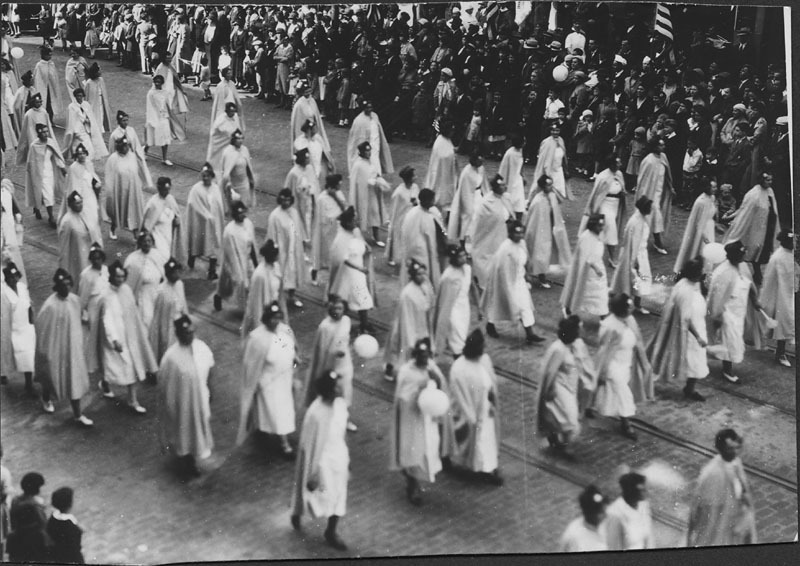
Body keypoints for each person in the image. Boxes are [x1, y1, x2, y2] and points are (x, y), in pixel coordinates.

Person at [290, 370, 350, 550]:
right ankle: (297, 511)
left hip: (339, 457)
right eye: (336, 388)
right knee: (317, 496)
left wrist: (347, 459)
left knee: (339, 495)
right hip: (321, 462)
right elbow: (306, 447)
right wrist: (312, 472)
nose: (340, 390)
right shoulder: (315, 414)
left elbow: (342, 431)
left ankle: (331, 531)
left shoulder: (341, 405)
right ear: (329, 391)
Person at [237, 302, 299, 459]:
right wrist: (255, 382)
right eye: (272, 318)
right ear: (266, 319)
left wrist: (295, 360)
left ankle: (261, 428)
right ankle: (285, 445)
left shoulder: (284, 331)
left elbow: (290, 349)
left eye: (278, 318)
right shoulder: (257, 338)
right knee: (277, 413)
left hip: (285, 379)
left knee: (280, 410)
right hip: (269, 382)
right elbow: (250, 362)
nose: (275, 322)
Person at [389, 338, 447, 505]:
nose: (424, 358)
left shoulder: (431, 366)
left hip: (427, 419)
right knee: (412, 451)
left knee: (427, 449)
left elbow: (441, 387)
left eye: (427, 354)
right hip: (411, 419)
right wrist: (419, 392)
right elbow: (402, 397)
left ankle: (417, 478)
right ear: (415, 355)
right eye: (420, 355)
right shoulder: (406, 371)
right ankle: (412, 484)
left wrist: (436, 379)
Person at [159, 314, 215, 477]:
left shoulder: (201, 348)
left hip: (200, 398)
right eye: (185, 333)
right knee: (184, 432)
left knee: (198, 428)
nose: (189, 336)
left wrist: (211, 388)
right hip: (182, 404)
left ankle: (193, 455)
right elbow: (165, 385)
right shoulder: (171, 358)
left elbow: (210, 367)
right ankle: (187, 461)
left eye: (191, 332)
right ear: (178, 334)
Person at [97, 261, 157, 413]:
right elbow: (107, 319)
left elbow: (133, 311)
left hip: (129, 336)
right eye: (117, 277)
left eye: (122, 276)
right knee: (111, 365)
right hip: (114, 338)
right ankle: (105, 382)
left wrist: (139, 332)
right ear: (111, 276)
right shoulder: (105, 295)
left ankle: (132, 399)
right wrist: (114, 339)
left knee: (131, 366)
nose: (120, 280)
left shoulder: (126, 290)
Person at [647, 257, 710, 401]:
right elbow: (685, 319)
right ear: (694, 275)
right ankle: (688, 388)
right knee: (694, 361)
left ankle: (689, 388)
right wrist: (698, 336)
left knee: (693, 361)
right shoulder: (685, 291)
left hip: (696, 324)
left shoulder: (686, 283)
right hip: (689, 332)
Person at [35, 268, 92, 425]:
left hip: (72, 348)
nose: (66, 288)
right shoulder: (50, 306)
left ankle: (78, 414)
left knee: (74, 379)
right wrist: (47, 351)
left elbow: (80, 316)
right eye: (62, 285)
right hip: (56, 348)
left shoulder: (74, 300)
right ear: (57, 286)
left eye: (68, 284)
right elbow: (42, 328)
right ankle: (46, 398)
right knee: (51, 375)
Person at [591, 294, 653, 440]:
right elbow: (604, 352)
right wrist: (603, 373)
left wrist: (645, 363)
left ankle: (590, 403)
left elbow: (638, 340)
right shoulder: (609, 326)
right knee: (623, 393)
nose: (632, 308)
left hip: (627, 363)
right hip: (613, 365)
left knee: (615, 392)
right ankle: (626, 424)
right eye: (629, 307)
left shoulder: (630, 319)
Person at [446, 329, 502, 484]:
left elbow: (491, 382)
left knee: (487, 440)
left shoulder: (485, 360)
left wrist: (492, 399)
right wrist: (471, 417)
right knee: (477, 440)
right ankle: (481, 468)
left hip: (486, 409)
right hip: (470, 412)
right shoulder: (459, 367)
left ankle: (489, 468)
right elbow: (459, 395)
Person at [535, 315, 596, 454]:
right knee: (569, 418)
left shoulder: (574, 345)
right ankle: (566, 446)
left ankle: (556, 438)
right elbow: (549, 373)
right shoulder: (558, 349)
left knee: (562, 415)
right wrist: (549, 390)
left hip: (570, 386)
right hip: (559, 388)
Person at [687, 429, 757, 546]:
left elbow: (743, 491)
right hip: (716, 532)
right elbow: (697, 507)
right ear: (720, 449)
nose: (733, 452)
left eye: (734, 448)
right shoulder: (710, 473)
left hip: (735, 528)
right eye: (729, 449)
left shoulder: (736, 462)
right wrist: (690, 537)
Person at [480, 220, 545, 344]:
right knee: (499, 303)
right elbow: (500, 269)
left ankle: (529, 333)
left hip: (519, 280)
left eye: (521, 233)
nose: (519, 236)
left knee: (524, 306)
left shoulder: (522, 243)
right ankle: (490, 324)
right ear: (510, 233)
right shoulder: (505, 248)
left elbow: (526, 260)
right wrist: (506, 286)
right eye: (516, 233)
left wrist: (527, 274)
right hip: (505, 281)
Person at [707, 241, 762, 384]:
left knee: (733, 339)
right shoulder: (722, 272)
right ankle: (727, 369)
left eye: (742, 254)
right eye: (738, 255)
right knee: (729, 341)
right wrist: (717, 315)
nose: (741, 257)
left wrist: (754, 300)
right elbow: (716, 297)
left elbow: (749, 283)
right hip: (727, 312)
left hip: (739, 309)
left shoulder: (743, 266)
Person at [305, 296, 357, 429]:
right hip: (330, 365)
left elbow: (345, 339)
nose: (338, 311)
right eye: (335, 308)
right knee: (332, 392)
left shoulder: (346, 321)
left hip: (345, 364)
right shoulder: (325, 326)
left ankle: (346, 419)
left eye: (340, 308)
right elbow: (322, 349)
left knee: (346, 391)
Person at [723, 172, 780, 285]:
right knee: (755, 250)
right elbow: (745, 211)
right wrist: (732, 218)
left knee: (764, 251)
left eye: (771, 180)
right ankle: (756, 273)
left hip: (768, 227)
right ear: (761, 180)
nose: (770, 182)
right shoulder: (753, 194)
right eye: (768, 180)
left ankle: (757, 273)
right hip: (756, 228)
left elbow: (773, 209)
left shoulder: (770, 191)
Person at [328, 206, 375, 335]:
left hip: (358, 272)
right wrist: (359, 268)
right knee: (357, 297)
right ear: (348, 222)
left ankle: (363, 323)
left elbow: (363, 244)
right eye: (353, 220)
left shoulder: (355, 231)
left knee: (357, 297)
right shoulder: (342, 238)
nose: (356, 222)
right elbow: (343, 258)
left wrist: (366, 248)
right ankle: (353, 324)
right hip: (351, 272)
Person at [384, 260, 435, 380]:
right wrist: (411, 338)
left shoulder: (425, 287)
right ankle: (390, 370)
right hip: (407, 324)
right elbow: (406, 318)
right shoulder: (407, 294)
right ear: (412, 275)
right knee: (398, 347)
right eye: (418, 274)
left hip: (420, 323)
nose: (422, 277)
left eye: (423, 274)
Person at [524, 175, 571, 289]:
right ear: (542, 186)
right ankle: (536, 277)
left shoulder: (552, 196)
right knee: (538, 254)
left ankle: (540, 276)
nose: (551, 187)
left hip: (548, 229)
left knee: (544, 254)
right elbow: (533, 220)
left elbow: (561, 199)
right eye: (548, 184)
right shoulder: (538, 200)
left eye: (551, 184)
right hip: (538, 231)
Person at [433, 245, 480, 358]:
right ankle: (459, 364)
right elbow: (443, 301)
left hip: (464, 308)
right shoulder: (448, 276)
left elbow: (473, 288)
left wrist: (479, 308)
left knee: (461, 337)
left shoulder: (467, 269)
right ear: (453, 259)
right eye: (460, 257)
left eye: (464, 255)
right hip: (452, 311)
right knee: (458, 341)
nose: (463, 259)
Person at [759, 230, 798, 367]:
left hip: (790, 293)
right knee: (784, 324)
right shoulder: (778, 257)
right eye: (792, 241)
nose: (794, 243)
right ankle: (780, 353)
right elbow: (770, 281)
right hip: (782, 296)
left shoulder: (790, 254)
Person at [469, 174, 514, 289]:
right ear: (495, 188)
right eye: (502, 185)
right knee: (486, 257)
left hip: (501, 234)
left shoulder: (505, 197)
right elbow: (482, 221)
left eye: (505, 184)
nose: (505, 187)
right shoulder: (487, 202)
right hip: (488, 236)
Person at [579, 155, 626, 264]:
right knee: (611, 229)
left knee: (605, 230)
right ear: (611, 164)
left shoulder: (619, 174)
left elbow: (622, 187)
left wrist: (622, 192)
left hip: (616, 205)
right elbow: (596, 194)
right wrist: (595, 208)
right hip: (605, 205)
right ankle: (613, 258)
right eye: (618, 163)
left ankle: (592, 252)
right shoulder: (602, 176)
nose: (620, 165)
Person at [560, 213, 609, 319]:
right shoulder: (585, 237)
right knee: (580, 294)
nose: (601, 228)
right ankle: (568, 309)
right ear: (592, 225)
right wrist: (595, 268)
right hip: (587, 273)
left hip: (598, 272)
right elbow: (585, 258)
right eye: (599, 226)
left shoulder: (599, 235)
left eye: (602, 225)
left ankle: (603, 317)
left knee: (601, 296)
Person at [610, 196, 653, 314]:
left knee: (637, 280)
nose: (651, 209)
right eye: (649, 207)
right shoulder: (636, 222)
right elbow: (633, 244)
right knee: (635, 280)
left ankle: (634, 302)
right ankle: (634, 304)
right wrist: (635, 261)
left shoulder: (642, 219)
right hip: (635, 255)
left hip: (641, 254)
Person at [266, 189, 306, 310]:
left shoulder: (294, 212)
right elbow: (271, 235)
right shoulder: (275, 215)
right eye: (283, 199)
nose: (286, 202)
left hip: (294, 248)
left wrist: (301, 244)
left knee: (293, 272)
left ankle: (292, 296)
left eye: (288, 199)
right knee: (280, 274)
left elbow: (298, 229)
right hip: (281, 250)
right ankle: (277, 298)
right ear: (280, 200)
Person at [104, 136, 151, 240]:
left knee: (134, 212)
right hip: (120, 190)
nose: (125, 148)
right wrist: (111, 193)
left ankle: (135, 234)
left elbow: (140, 169)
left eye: (126, 146)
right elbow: (109, 177)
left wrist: (143, 183)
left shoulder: (132, 156)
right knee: (118, 211)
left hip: (133, 189)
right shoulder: (113, 159)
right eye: (123, 146)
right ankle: (113, 228)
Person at [399, 188, 446, 290]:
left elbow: (440, 229)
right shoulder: (413, 215)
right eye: (432, 200)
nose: (434, 202)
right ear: (425, 201)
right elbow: (411, 238)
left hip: (431, 249)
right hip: (419, 252)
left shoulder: (432, 212)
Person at [214, 200, 256, 312]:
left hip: (247, 258)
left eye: (243, 213)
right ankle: (218, 296)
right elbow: (230, 253)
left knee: (250, 282)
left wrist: (255, 262)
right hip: (233, 260)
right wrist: (237, 271)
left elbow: (252, 245)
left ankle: (248, 307)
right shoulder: (229, 231)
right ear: (234, 215)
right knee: (231, 282)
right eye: (238, 214)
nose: (241, 216)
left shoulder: (248, 224)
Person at [185, 163, 225, 280]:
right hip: (200, 223)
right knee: (197, 242)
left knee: (213, 246)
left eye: (207, 175)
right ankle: (191, 259)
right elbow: (192, 204)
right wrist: (205, 215)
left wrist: (215, 220)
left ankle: (211, 270)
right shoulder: (196, 189)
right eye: (203, 175)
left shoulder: (216, 189)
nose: (205, 178)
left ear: (212, 176)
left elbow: (219, 207)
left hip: (213, 225)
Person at [1, 263, 35, 396]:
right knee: (9, 354)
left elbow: (29, 305)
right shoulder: (3, 294)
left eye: (15, 276)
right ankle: (3, 373)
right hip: (13, 330)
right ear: (6, 279)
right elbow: (4, 316)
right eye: (10, 278)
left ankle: (28, 384)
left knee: (28, 357)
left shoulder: (22, 287)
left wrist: (32, 319)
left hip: (26, 327)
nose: (14, 280)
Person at [349, 140, 391, 246]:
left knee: (375, 213)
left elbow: (375, 174)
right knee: (361, 214)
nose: (369, 153)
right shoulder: (358, 165)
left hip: (372, 194)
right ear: (362, 152)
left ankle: (376, 237)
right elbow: (355, 182)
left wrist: (379, 181)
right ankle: (357, 237)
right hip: (362, 195)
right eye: (366, 151)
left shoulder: (370, 162)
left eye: (369, 150)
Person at [635, 137, 672, 255]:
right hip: (650, 194)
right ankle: (656, 242)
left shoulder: (663, 157)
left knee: (656, 216)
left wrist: (671, 187)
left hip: (660, 192)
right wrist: (643, 196)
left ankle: (651, 241)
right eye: (661, 145)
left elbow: (667, 174)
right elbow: (642, 180)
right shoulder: (648, 160)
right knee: (653, 216)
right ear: (655, 146)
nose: (663, 147)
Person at [58, 143, 102, 244]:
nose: (82, 156)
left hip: (91, 195)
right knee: (85, 220)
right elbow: (73, 186)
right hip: (81, 197)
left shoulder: (89, 164)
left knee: (94, 218)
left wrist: (97, 184)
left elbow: (92, 176)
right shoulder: (73, 168)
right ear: (76, 156)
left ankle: (96, 241)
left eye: (83, 153)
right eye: (79, 154)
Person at [25, 123, 66, 227]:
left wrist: (63, 170)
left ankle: (37, 206)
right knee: (47, 195)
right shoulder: (34, 146)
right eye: (43, 132)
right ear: (38, 133)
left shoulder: (51, 143)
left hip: (50, 172)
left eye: (46, 131)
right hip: (39, 174)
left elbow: (57, 157)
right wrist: (31, 174)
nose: (45, 134)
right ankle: (51, 217)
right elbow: (30, 162)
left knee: (49, 193)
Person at [124, 230, 167, 330]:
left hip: (157, 292)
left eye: (149, 241)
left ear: (152, 242)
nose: (147, 243)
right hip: (142, 294)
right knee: (146, 319)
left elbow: (164, 274)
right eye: (144, 241)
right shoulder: (132, 258)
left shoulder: (158, 255)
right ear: (139, 243)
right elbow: (129, 280)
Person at [674, 179, 718, 274]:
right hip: (701, 231)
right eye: (713, 187)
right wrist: (704, 237)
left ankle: (704, 272)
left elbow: (710, 214)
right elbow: (698, 223)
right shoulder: (700, 202)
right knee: (699, 251)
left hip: (709, 228)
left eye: (715, 187)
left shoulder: (712, 198)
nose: (715, 189)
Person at [243, 240, 285, 338]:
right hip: (264, 311)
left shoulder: (277, 267)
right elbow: (256, 304)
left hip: (275, 307)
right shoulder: (259, 275)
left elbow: (280, 292)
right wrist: (259, 327)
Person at [78, 243, 108, 379]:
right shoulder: (86, 275)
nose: (97, 261)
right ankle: (91, 363)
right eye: (94, 258)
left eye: (99, 258)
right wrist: (83, 312)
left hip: (105, 305)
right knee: (92, 334)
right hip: (93, 306)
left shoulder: (106, 270)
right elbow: (83, 296)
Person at [312, 174, 348, 282]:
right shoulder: (321, 199)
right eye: (338, 185)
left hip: (338, 230)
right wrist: (339, 215)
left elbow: (344, 208)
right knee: (321, 255)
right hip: (325, 232)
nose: (340, 187)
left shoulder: (339, 194)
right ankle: (314, 274)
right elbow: (325, 219)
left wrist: (336, 198)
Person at [448, 151, 488, 247]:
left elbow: (484, 184)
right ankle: (463, 243)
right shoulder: (467, 172)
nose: (481, 163)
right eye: (479, 161)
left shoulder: (481, 169)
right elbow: (465, 192)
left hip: (478, 196)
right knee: (468, 220)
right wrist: (469, 208)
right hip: (469, 197)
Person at [605, 472, 655, 550]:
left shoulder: (643, 505)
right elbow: (613, 548)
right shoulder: (614, 514)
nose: (646, 492)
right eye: (641, 490)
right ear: (630, 491)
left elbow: (648, 537)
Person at [141, 176, 185, 262]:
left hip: (168, 233)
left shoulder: (170, 198)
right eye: (164, 190)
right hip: (157, 234)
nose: (166, 192)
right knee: (161, 256)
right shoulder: (153, 202)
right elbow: (147, 223)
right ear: (159, 188)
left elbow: (176, 213)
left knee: (167, 254)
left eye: (168, 189)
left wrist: (176, 219)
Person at [346, 98, 394, 176]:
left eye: (370, 107)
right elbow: (355, 137)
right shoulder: (358, 120)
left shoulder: (375, 116)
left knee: (375, 157)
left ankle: (376, 172)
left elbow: (379, 129)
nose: (369, 109)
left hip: (375, 142)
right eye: (367, 107)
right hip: (366, 143)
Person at [57, 191, 93, 291]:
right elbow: (63, 246)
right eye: (77, 203)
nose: (80, 205)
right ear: (71, 205)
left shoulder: (82, 215)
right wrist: (63, 268)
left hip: (86, 254)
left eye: (81, 202)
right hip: (76, 257)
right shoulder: (67, 221)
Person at [62, 87, 107, 161]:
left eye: (81, 96)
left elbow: (91, 117)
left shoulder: (86, 105)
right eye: (78, 96)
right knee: (76, 146)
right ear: (75, 96)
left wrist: (88, 121)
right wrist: (76, 132)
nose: (79, 98)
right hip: (77, 130)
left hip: (85, 129)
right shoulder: (71, 107)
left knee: (89, 148)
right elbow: (71, 121)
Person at [16, 92, 61, 168]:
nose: (39, 104)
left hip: (44, 135)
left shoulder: (43, 111)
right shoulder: (29, 114)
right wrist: (32, 140)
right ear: (33, 103)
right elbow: (29, 129)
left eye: (40, 102)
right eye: (37, 102)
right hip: (34, 137)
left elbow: (48, 126)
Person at [424, 120, 458, 218]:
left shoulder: (447, 140)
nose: (453, 131)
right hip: (441, 174)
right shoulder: (440, 142)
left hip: (448, 173)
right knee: (441, 195)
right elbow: (443, 157)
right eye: (451, 129)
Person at [559, 485, 608, 552]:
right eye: (601, 512)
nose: (605, 515)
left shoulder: (605, 524)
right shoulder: (573, 534)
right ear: (591, 514)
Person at [290, 81, 330, 160]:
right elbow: (298, 122)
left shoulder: (312, 101)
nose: (308, 93)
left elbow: (316, 115)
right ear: (302, 92)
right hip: (304, 127)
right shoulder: (299, 104)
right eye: (306, 92)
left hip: (313, 126)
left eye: (309, 91)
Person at [284, 148, 318, 240]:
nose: (309, 159)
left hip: (309, 200)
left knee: (310, 221)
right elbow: (287, 189)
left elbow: (314, 183)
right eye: (307, 158)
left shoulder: (310, 168)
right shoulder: (293, 173)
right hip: (298, 203)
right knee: (300, 225)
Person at [533, 123, 572, 201]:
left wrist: (565, 169)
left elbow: (564, 157)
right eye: (553, 130)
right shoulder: (546, 142)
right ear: (550, 131)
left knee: (559, 193)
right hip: (549, 171)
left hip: (559, 170)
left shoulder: (561, 140)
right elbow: (542, 159)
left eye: (557, 130)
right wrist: (546, 173)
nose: (555, 132)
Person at [46, 487, 84, 563]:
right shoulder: (70, 527)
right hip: (68, 557)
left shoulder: (53, 517)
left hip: (57, 554)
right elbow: (75, 549)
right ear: (70, 504)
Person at [220, 129, 256, 209]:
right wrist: (228, 187)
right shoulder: (228, 152)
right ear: (233, 140)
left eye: (241, 138)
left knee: (244, 210)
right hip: (234, 187)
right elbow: (226, 173)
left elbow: (248, 167)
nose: (240, 141)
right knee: (234, 211)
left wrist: (251, 180)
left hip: (244, 185)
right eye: (238, 139)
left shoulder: (245, 150)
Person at [144, 74, 174, 166]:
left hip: (163, 117)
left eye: (159, 82)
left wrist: (168, 115)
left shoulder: (165, 92)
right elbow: (149, 107)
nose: (157, 84)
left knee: (165, 138)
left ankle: (164, 158)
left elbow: (168, 104)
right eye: (156, 82)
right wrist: (153, 119)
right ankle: (145, 150)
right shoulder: (151, 93)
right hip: (153, 118)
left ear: (162, 83)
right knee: (151, 137)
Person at [206, 101, 242, 174]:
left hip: (228, 143)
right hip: (219, 143)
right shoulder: (221, 120)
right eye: (231, 111)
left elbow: (237, 128)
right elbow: (226, 131)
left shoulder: (235, 116)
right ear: (226, 111)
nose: (233, 113)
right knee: (216, 160)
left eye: (234, 111)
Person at [210, 64, 245, 136]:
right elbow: (218, 103)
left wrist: (238, 107)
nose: (230, 75)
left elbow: (236, 98)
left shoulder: (232, 84)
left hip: (232, 110)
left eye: (231, 73)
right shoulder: (220, 86)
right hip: (224, 110)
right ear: (224, 74)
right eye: (228, 73)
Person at [497, 133, 527, 218]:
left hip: (518, 182)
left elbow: (520, 167)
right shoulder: (510, 153)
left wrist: (522, 176)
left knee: (519, 206)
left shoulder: (520, 151)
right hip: (510, 183)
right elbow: (503, 169)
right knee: (509, 206)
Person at [33, 46, 63, 123]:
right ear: (43, 55)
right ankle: (43, 120)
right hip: (43, 87)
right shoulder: (39, 65)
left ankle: (51, 119)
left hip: (51, 87)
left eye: (50, 55)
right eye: (48, 55)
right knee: (44, 103)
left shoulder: (51, 64)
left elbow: (54, 76)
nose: (50, 57)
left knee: (51, 104)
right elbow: (37, 78)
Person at [83, 62, 111, 134]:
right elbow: (85, 97)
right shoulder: (88, 83)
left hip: (100, 103)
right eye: (98, 70)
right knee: (94, 120)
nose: (100, 71)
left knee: (101, 118)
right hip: (93, 106)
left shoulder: (101, 80)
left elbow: (103, 93)